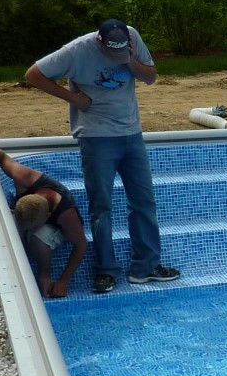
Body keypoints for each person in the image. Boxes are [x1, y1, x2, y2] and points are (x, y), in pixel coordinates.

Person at [23, 17, 180, 294]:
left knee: (144, 202)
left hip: (132, 134)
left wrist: (129, 60)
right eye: (111, 53)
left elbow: (151, 77)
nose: (115, 57)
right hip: (96, 138)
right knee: (102, 207)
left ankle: (145, 268)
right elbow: (33, 75)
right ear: (99, 41)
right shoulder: (76, 51)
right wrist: (73, 99)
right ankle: (106, 271)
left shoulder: (132, 36)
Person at [0, 148, 88, 298]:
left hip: (56, 228)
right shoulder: (25, 177)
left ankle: (44, 273)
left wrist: (63, 281)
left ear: (47, 216)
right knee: (9, 226)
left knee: (38, 237)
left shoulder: (66, 214)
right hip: (26, 215)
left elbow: (81, 244)